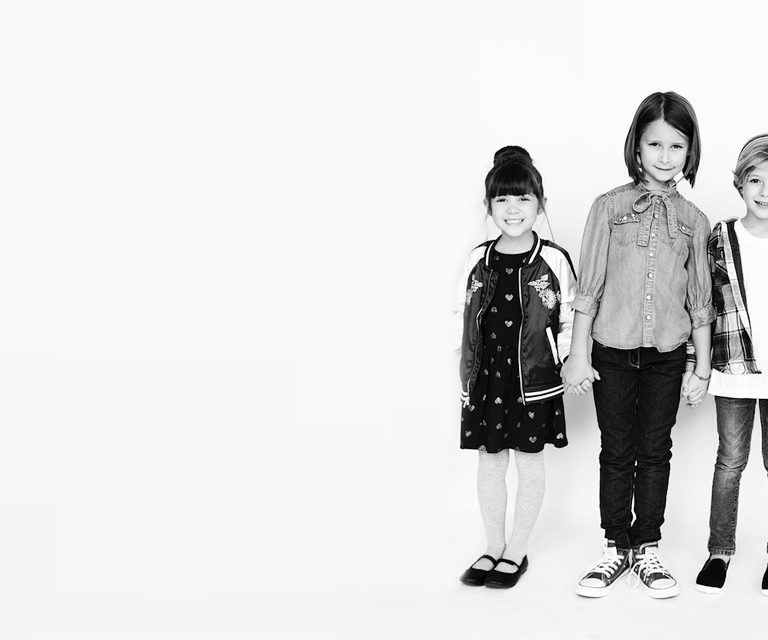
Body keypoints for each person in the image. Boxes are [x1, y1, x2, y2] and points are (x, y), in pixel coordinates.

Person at [562, 92, 715, 599]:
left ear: (690, 151)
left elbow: (699, 301)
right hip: (611, 349)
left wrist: (702, 368)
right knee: (615, 450)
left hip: (667, 356)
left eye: (677, 146)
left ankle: (647, 546)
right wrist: (578, 355)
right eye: (655, 144)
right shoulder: (608, 207)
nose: (665, 156)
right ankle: (615, 547)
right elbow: (588, 290)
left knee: (655, 450)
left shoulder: (695, 220)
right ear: (637, 146)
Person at [454, 146, 576, 588]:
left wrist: (564, 362)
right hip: (486, 379)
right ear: (488, 206)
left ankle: (517, 550)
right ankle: (492, 546)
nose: (512, 209)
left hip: (533, 379)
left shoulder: (553, 259)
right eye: (502, 199)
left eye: (523, 198)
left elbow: (571, 318)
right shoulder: (478, 258)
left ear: (540, 204)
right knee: (490, 463)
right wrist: (463, 369)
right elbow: (460, 315)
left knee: (528, 461)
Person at [695, 134, 768, 595]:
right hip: (734, 371)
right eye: (756, 180)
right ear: (740, 183)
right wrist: (697, 366)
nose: (765, 191)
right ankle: (719, 551)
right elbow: (702, 304)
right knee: (730, 461)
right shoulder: (721, 236)